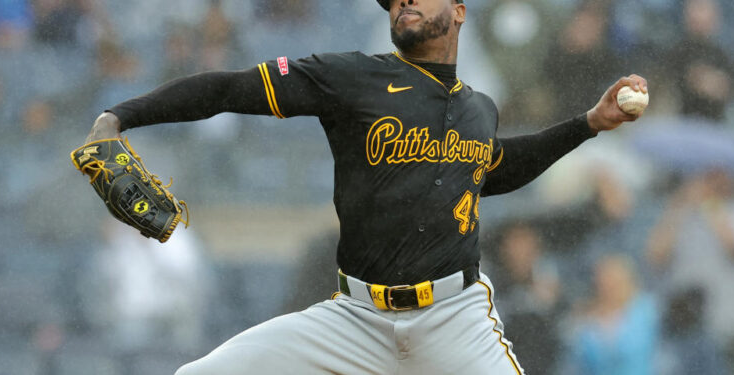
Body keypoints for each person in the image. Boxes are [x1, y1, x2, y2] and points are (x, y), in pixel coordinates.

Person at [80, 0, 647, 373]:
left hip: (455, 320)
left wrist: (587, 125)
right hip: (353, 319)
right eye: (393, 0)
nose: (402, 2)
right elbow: (229, 89)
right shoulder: (352, 76)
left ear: (459, 9)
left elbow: (493, 170)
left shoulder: (480, 109)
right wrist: (118, 117)